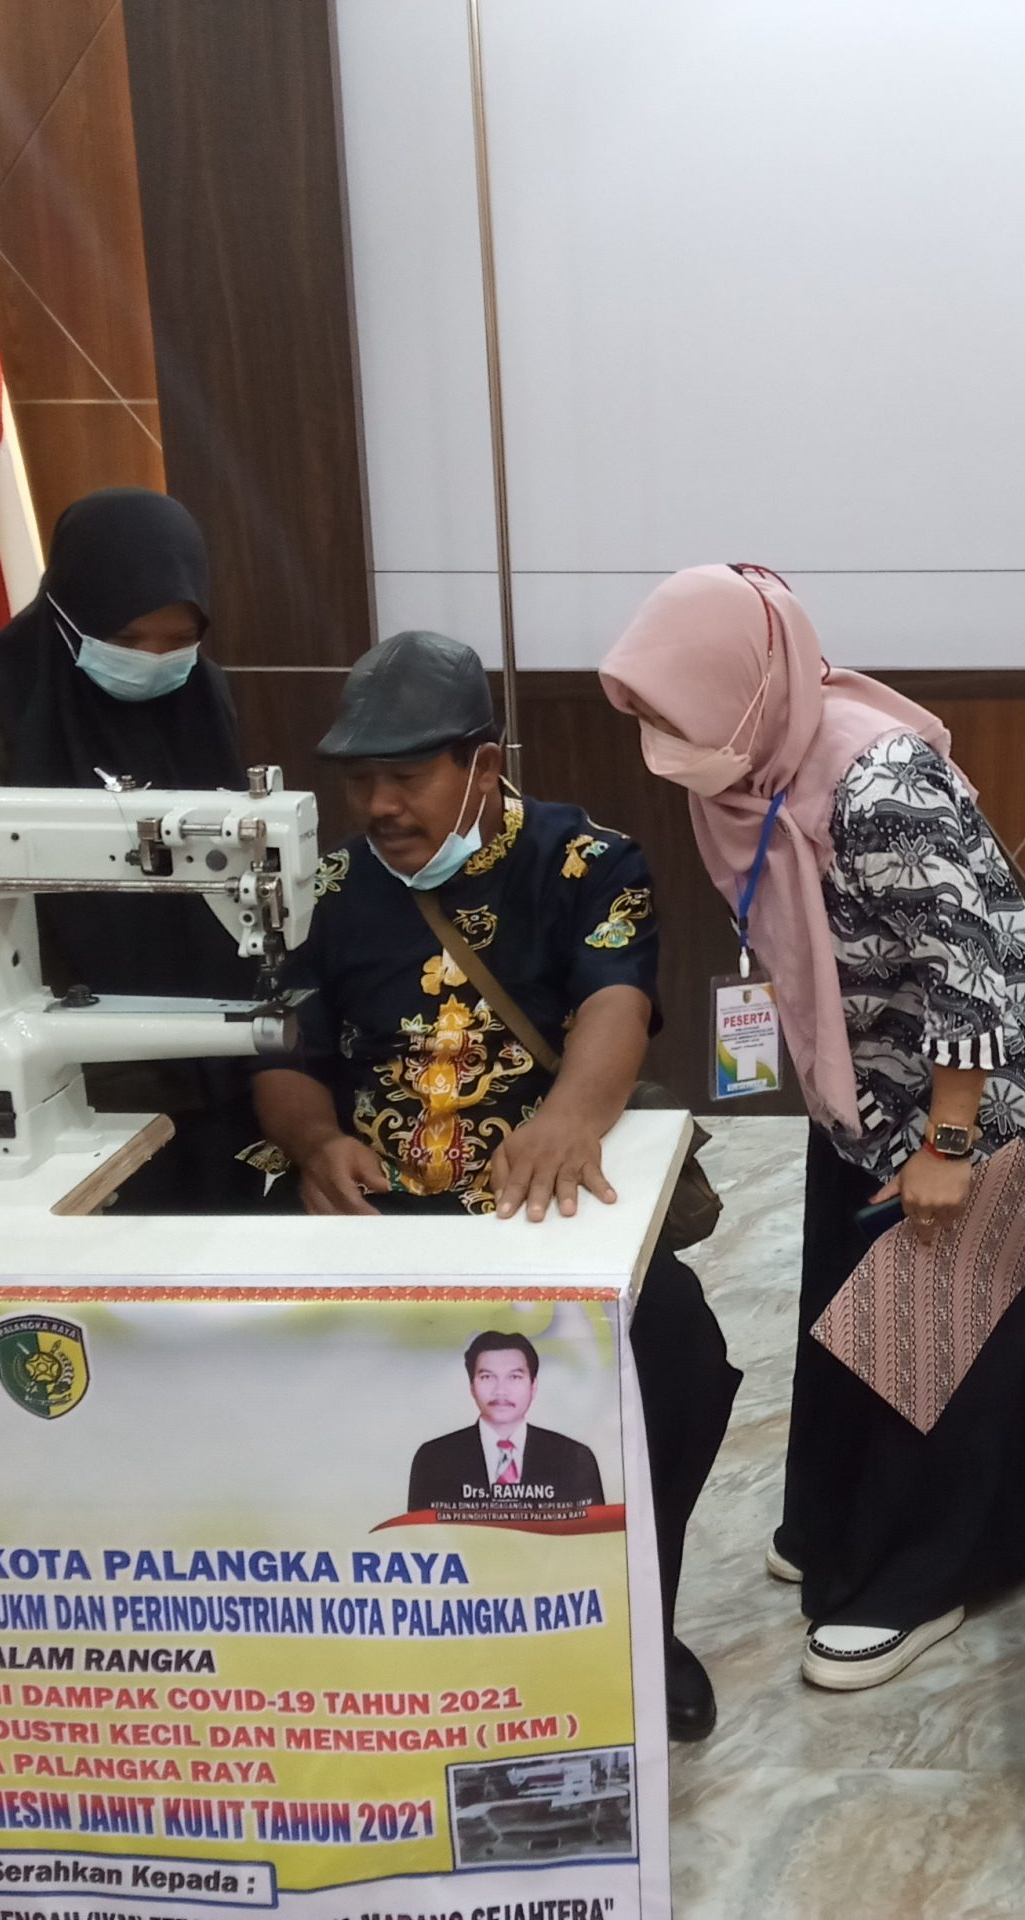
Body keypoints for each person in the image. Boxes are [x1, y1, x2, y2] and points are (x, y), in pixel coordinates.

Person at [603, 564, 1025, 1693]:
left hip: (980, 1093)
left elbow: (967, 973)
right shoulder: (747, 769)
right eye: (645, 714)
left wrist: (950, 1146)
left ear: (742, 685)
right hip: (868, 1087)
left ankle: (919, 1576)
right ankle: (843, 1517)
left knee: (937, 1335)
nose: (661, 742)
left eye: (673, 712)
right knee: (853, 1313)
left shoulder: (879, 782)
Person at [250, 630, 739, 1740]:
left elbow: (616, 1001)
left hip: (534, 1198)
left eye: (403, 777)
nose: (378, 807)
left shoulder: (586, 862)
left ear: (480, 764)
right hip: (372, 1205)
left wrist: (566, 1119)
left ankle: (639, 1619)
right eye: (359, 782)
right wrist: (315, 1141)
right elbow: (284, 1051)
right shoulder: (322, 888)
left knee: (674, 1353)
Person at [0, 488, 255, 1210]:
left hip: (211, 1064)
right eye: (129, 639)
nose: (156, 659)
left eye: (179, 638)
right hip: (73, 1080)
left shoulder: (202, 695)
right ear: (68, 616)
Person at [408, 1331, 605, 1514]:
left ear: (533, 1386)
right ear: (472, 1386)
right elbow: (419, 1535)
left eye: (514, 1377)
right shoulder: (433, 1459)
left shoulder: (574, 1458)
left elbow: (594, 1536)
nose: (500, 1390)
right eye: (487, 1377)